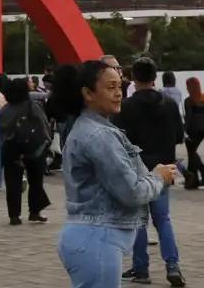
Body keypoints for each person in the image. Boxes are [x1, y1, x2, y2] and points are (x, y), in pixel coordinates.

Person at [52, 60, 177, 288]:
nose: (118, 93)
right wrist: (159, 176)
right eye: (110, 87)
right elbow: (131, 192)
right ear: (88, 93)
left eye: (120, 86)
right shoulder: (99, 136)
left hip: (92, 238)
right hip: (96, 239)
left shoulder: (95, 129)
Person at [116, 58, 185, 286]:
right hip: (164, 169)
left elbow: (120, 141)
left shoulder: (125, 107)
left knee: (139, 220)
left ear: (133, 78)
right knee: (163, 219)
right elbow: (178, 136)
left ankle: (141, 268)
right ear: (155, 77)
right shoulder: (170, 104)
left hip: (137, 170)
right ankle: (172, 265)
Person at [0, 78, 51, 225]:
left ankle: (14, 215)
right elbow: (43, 124)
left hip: (11, 149)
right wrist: (47, 141)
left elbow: (2, 131)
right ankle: (35, 212)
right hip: (33, 148)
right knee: (36, 181)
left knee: (12, 182)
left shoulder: (5, 109)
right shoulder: (31, 106)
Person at [185, 77, 204, 190]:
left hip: (194, 129)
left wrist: (185, 131)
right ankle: (193, 179)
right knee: (192, 153)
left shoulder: (189, 100)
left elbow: (189, 117)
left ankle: (196, 176)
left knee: (192, 152)